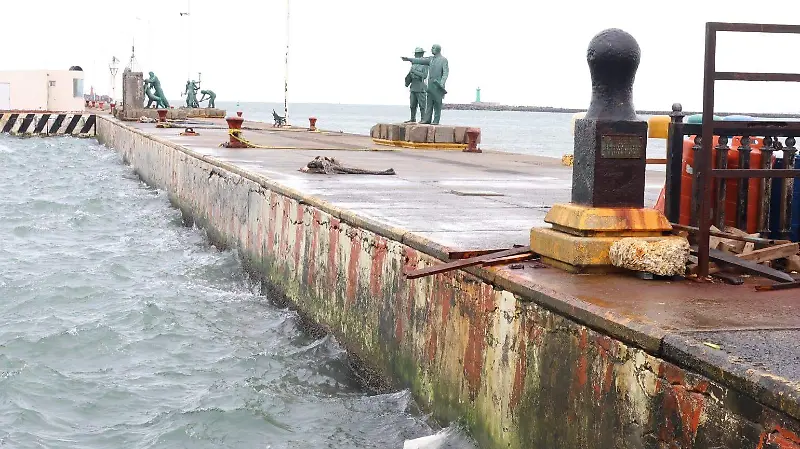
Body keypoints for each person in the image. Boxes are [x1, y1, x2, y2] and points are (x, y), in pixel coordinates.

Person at [401, 44, 448, 125]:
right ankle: (427, 119)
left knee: (437, 104)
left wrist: (442, 83)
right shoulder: (431, 59)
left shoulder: (443, 60)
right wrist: (409, 59)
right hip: (430, 86)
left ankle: (436, 120)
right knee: (429, 104)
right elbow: (420, 60)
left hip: (438, 86)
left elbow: (445, 73)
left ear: (438, 49)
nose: (431, 49)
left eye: (433, 48)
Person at [404, 47, 428, 123]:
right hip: (413, 86)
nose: (415, 55)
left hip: (420, 87)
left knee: (422, 105)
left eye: (416, 54)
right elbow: (410, 74)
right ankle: (412, 118)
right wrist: (407, 81)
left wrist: (414, 72)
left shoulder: (424, 64)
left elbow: (424, 75)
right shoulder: (413, 64)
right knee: (412, 105)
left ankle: (423, 119)